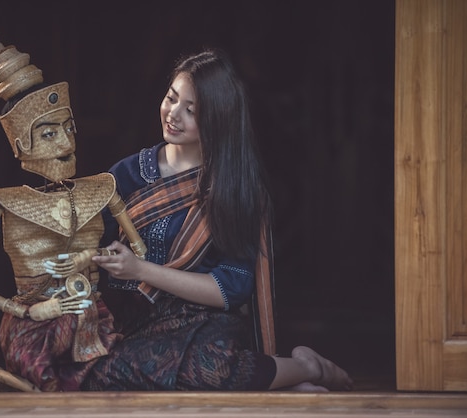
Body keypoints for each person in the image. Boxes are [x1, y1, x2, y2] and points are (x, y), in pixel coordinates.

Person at [70, 49, 354, 392]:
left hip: (203, 323)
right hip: (136, 326)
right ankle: (283, 377)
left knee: (211, 368)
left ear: (217, 118)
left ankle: (308, 367)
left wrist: (141, 271)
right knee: (96, 371)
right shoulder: (127, 175)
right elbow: (86, 243)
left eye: (192, 110)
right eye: (171, 99)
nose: (173, 114)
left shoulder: (232, 188)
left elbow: (231, 288)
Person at [0, 20, 146, 392]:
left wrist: (91, 258)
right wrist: (26, 310)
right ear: (21, 146)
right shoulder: (5, 204)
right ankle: (8, 375)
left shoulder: (102, 188)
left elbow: (138, 250)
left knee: (117, 374)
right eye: (49, 133)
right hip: (34, 324)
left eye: (69, 128)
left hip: (92, 322)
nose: (65, 142)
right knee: (42, 376)